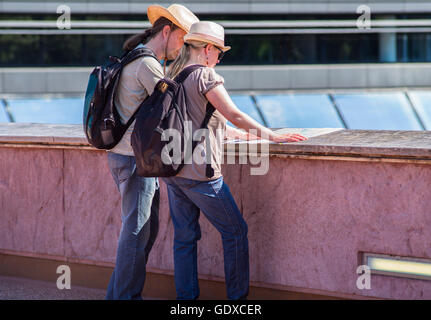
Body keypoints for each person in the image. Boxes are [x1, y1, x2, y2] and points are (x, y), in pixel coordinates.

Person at [163, 21, 307, 300]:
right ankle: (237, 300)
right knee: (236, 232)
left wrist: (249, 136)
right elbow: (234, 114)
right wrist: (273, 137)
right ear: (207, 49)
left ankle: (186, 300)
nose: (219, 58)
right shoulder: (205, 76)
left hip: (173, 171)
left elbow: (208, 122)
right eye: (219, 52)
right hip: (201, 174)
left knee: (184, 238)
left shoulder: (175, 75)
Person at [105, 4, 199, 300]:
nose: (182, 47)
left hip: (125, 156)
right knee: (136, 233)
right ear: (167, 31)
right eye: (183, 40)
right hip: (136, 161)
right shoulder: (148, 66)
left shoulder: (135, 57)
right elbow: (172, 107)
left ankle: (117, 296)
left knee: (145, 230)